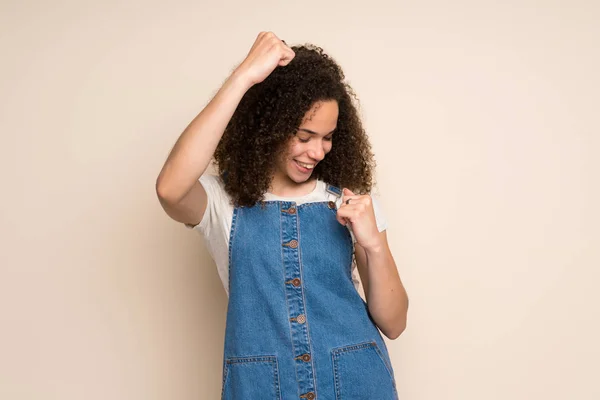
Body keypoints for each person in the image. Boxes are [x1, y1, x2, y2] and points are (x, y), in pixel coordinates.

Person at [156, 31, 409, 400]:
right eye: (305, 136)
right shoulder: (222, 203)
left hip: (357, 381)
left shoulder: (351, 203)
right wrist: (243, 77)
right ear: (270, 127)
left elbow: (394, 322)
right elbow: (169, 189)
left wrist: (373, 245)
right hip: (262, 387)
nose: (318, 151)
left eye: (327, 137)